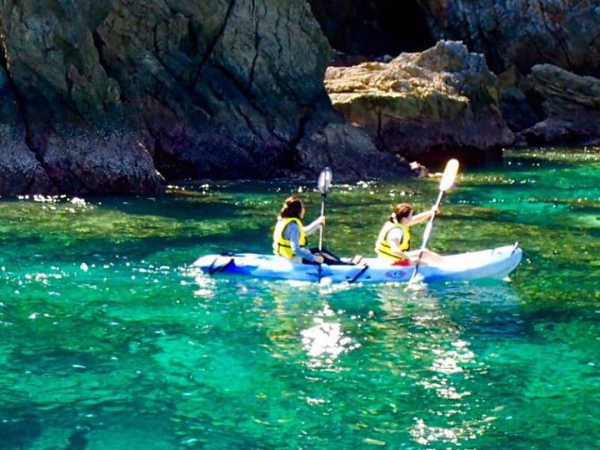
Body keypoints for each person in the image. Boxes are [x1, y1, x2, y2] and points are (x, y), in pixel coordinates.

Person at [375, 203, 443, 265]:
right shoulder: (396, 231)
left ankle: (444, 262)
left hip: (394, 258)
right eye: (411, 215)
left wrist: (431, 212)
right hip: (390, 262)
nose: (412, 217)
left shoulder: (399, 222)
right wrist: (410, 260)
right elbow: (395, 250)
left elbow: (415, 219)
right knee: (424, 264)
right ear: (404, 219)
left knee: (425, 253)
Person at [273, 196, 327, 264]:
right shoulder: (293, 226)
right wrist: (315, 258)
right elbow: (296, 250)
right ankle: (342, 266)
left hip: (282, 257)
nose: (304, 210)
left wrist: (318, 223)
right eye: (302, 208)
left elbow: (303, 232)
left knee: (319, 251)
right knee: (324, 255)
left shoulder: (283, 220)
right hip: (293, 260)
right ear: (297, 210)